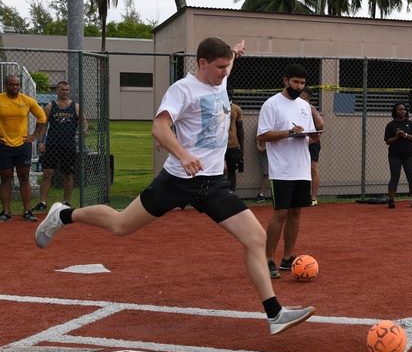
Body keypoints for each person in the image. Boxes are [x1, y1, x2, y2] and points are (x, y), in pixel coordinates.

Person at [34, 37, 314, 336]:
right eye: (220, 67)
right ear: (202, 63)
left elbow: (228, 60)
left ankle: (274, 314)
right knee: (120, 226)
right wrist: (183, 155)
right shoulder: (182, 89)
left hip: (213, 185)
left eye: (227, 66)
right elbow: (159, 127)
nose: (225, 73)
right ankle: (63, 215)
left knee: (255, 239)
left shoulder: (221, 74)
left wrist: (235, 52)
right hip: (178, 180)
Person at [257, 63, 316, 279]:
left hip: (301, 169)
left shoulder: (304, 106)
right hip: (281, 170)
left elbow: (308, 136)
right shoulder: (271, 104)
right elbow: (262, 136)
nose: (299, 87)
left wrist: (313, 136)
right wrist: (288, 132)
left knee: (296, 212)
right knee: (280, 212)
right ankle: (267, 259)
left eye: (302, 83)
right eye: (295, 82)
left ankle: (288, 257)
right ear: (285, 80)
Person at [0, 74, 47, 222]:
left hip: (23, 145)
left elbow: (42, 117)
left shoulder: (27, 101)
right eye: (12, 84)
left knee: (24, 177)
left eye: (17, 85)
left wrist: (34, 135)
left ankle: (27, 211)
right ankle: (6, 213)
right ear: (5, 85)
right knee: (6, 178)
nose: (15, 87)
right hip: (4, 145)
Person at [35, 81, 88, 211]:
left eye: (67, 90)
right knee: (47, 173)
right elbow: (44, 125)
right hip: (52, 145)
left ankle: (66, 202)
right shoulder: (50, 106)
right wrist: (40, 142)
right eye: (62, 89)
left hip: (68, 146)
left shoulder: (76, 107)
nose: (65, 92)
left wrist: (85, 129)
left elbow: (84, 122)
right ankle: (43, 202)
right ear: (57, 91)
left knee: (68, 174)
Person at [384, 102, 412, 209]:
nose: (402, 111)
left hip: (409, 155)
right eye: (400, 110)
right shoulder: (390, 125)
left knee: (411, 178)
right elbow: (388, 141)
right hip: (395, 156)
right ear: (395, 111)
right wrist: (397, 136)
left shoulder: (410, 123)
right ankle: (391, 200)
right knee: (394, 177)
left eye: (404, 109)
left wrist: (404, 134)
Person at [299, 87, 324, 206]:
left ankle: (313, 198)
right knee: (300, 169)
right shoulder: (297, 108)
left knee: (313, 169)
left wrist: (315, 133)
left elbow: (320, 123)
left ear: (304, 96)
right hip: (301, 141)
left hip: (312, 142)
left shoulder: (310, 108)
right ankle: (302, 197)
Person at [223, 99, 244, 193]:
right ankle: (218, 194)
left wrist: (242, 147)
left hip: (232, 144)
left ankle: (232, 193)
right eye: (227, 92)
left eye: (231, 93)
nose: (229, 94)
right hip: (218, 145)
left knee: (232, 170)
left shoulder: (236, 109)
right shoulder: (216, 107)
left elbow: (240, 128)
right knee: (217, 171)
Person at [254, 137, 270, 202]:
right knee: (266, 174)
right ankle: (261, 195)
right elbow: (258, 136)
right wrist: (258, 145)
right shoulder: (261, 126)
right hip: (265, 153)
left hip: (278, 152)